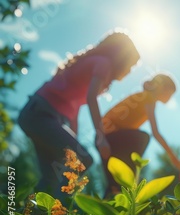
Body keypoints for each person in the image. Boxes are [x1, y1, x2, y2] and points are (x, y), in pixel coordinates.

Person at [18, 31, 140, 198]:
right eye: (131, 65)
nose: (130, 71)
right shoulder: (104, 63)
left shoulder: (95, 63)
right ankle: (57, 213)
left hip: (37, 116)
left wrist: (74, 137)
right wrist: (101, 136)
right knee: (82, 160)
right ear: (122, 58)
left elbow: (75, 107)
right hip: (41, 115)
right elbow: (91, 98)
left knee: (50, 178)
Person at [101, 74, 180, 195]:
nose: (170, 98)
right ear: (162, 88)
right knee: (142, 137)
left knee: (114, 184)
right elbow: (155, 132)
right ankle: (132, 172)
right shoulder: (149, 98)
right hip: (112, 137)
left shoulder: (142, 96)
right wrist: (175, 159)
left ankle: (111, 200)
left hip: (104, 137)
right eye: (170, 93)